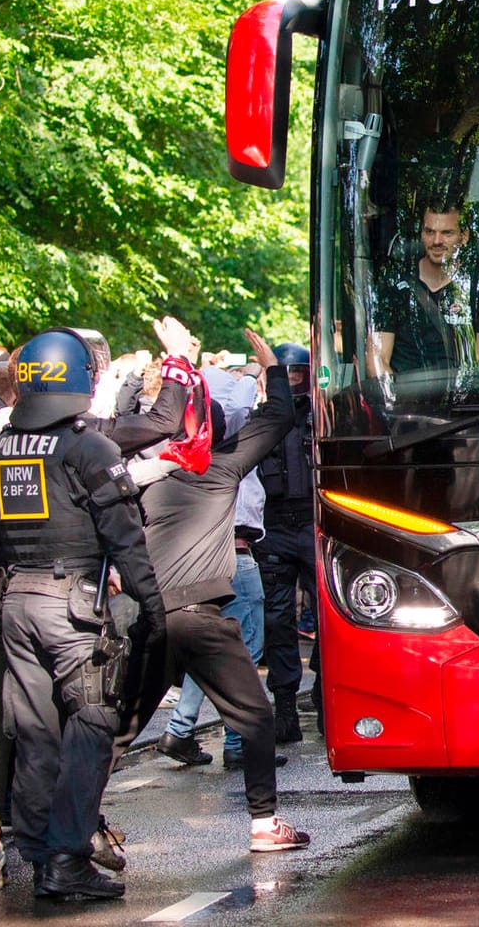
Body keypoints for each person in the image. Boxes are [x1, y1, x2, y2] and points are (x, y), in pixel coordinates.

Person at [0, 328, 168, 899]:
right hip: (70, 608)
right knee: (92, 724)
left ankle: (40, 854)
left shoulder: (0, 448)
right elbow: (126, 536)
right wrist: (154, 607)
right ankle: (67, 858)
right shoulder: (88, 447)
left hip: (15, 600)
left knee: (35, 734)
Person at [129, 330, 310, 854]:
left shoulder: (139, 475)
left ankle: (73, 827)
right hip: (202, 615)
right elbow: (277, 419)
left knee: (117, 730)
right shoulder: (217, 470)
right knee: (254, 718)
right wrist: (272, 369)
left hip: (151, 614)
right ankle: (263, 824)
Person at [158, 365, 270, 765]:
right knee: (244, 646)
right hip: (233, 556)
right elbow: (242, 404)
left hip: (200, 561)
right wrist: (255, 371)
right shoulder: (227, 446)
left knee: (209, 650)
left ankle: (180, 728)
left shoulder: (178, 453)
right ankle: (239, 741)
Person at [254, 342, 314, 745]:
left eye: (299, 375)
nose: (292, 381)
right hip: (273, 525)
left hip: (313, 524)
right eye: (286, 374)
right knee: (278, 621)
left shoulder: (324, 417)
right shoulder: (261, 419)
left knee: (330, 615)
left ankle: (328, 699)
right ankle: (286, 706)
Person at [372, 204, 479, 379]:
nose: (436, 241)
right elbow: (377, 360)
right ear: (421, 234)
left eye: (447, 233)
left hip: (465, 401)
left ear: (464, 237)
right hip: (406, 398)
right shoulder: (394, 287)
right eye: (429, 232)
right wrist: (396, 400)